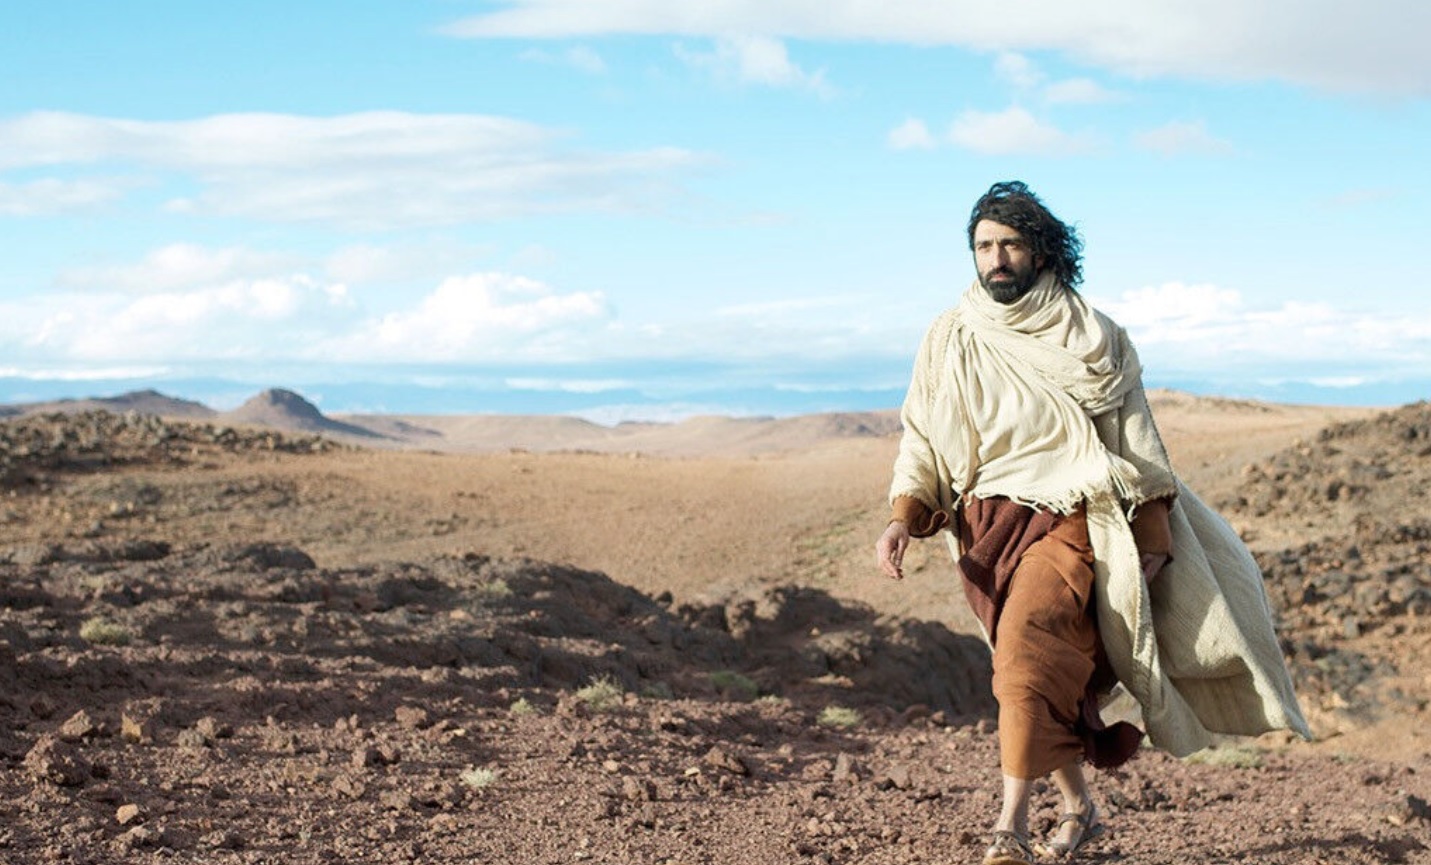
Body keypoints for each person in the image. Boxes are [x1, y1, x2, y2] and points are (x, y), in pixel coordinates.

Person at [874, 181, 1310, 865]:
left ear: (1040, 249)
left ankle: (1008, 828)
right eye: (983, 245)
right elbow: (922, 437)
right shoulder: (949, 334)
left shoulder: (1092, 336)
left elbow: (1138, 446)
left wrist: (1153, 544)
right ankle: (1078, 805)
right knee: (1042, 671)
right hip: (985, 528)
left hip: (1072, 516)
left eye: (1009, 243)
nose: (995, 258)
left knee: (1024, 653)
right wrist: (903, 516)